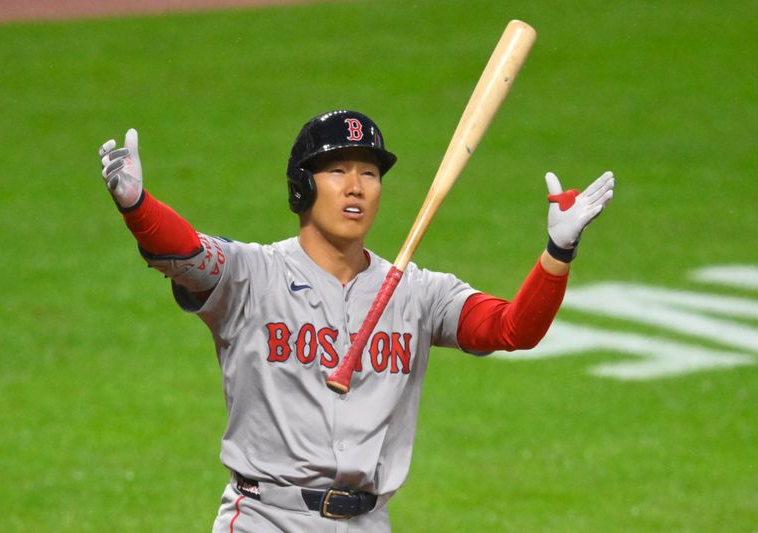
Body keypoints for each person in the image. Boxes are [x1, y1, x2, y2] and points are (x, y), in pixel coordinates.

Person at [97, 109, 614, 532]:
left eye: (369, 173)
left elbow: (512, 329)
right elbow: (184, 252)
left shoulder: (418, 292)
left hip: (368, 522)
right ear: (302, 188)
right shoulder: (252, 275)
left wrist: (557, 251)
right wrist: (137, 206)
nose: (356, 187)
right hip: (265, 520)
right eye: (337, 170)